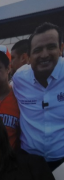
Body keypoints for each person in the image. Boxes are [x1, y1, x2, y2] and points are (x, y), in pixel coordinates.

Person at [12, 22, 64, 169]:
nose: (44, 54)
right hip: (29, 161)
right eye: (38, 50)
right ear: (28, 57)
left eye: (51, 47)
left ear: (61, 49)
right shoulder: (20, 78)